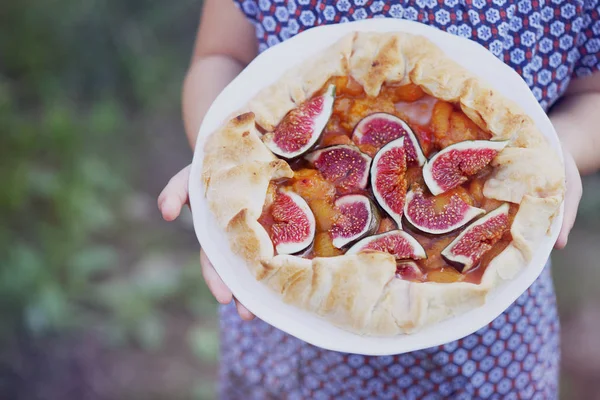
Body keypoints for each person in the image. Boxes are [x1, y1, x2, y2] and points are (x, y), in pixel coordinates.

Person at [158, 0, 599, 398]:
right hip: (284, 345)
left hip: (492, 347)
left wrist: (557, 153)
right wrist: (220, 166)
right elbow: (219, 56)